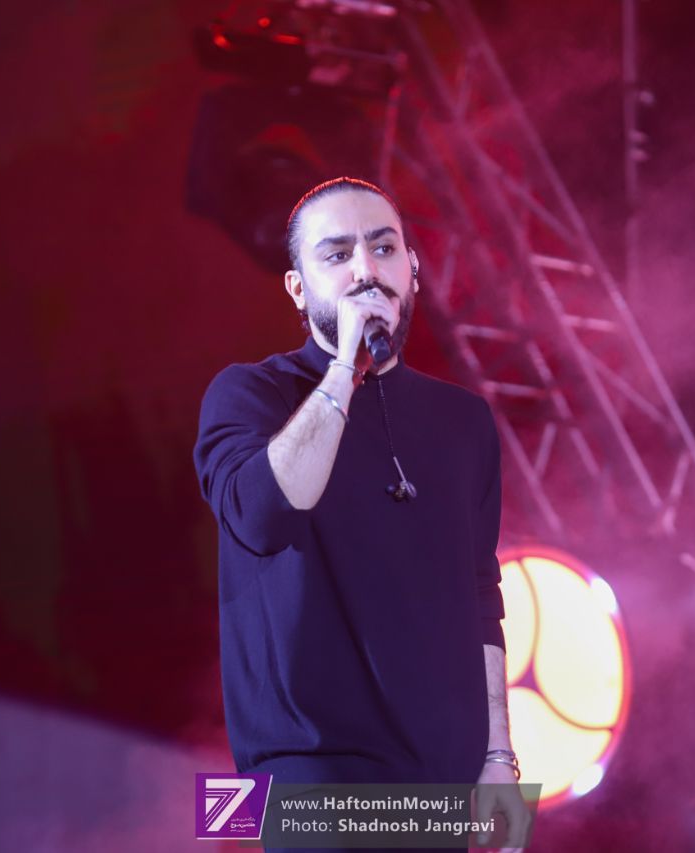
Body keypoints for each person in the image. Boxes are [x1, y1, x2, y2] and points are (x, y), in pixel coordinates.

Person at [194, 177, 530, 848]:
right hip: (309, 776)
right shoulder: (250, 394)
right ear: (297, 288)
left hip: (446, 781)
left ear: (413, 269)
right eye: (337, 254)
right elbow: (263, 515)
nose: (365, 270)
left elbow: (480, 594)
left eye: (383, 248)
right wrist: (345, 368)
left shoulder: (463, 420)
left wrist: (499, 757)